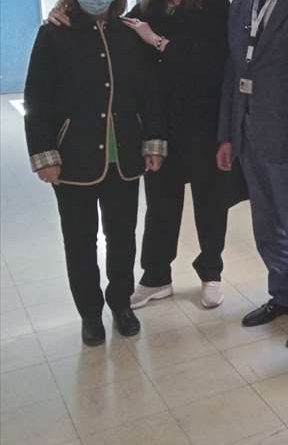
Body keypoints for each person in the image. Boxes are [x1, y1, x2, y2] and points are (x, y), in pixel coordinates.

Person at [47, 0, 234, 311]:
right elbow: (108, 24)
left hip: (206, 123)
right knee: (161, 204)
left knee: (210, 202)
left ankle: (211, 272)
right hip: (160, 127)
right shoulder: (147, 11)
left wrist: (157, 41)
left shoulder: (214, 8)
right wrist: (63, 11)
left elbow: (212, 63)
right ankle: (156, 276)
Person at [24, 0, 167, 346]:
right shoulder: (54, 34)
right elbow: (37, 97)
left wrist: (153, 142)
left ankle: (121, 303)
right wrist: (45, 156)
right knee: (80, 240)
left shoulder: (128, 33)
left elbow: (149, 92)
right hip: (73, 158)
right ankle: (90, 313)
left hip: (125, 158)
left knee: (123, 237)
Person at [217, 0, 288, 349]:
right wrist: (227, 135)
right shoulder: (240, 7)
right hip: (248, 132)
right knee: (266, 225)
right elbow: (233, 69)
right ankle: (283, 295)